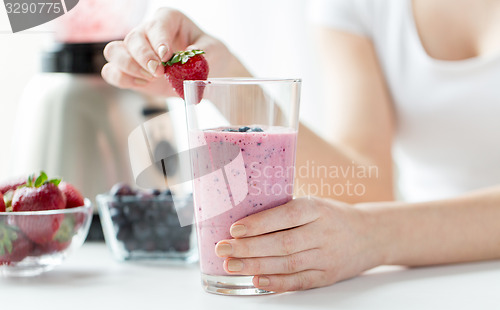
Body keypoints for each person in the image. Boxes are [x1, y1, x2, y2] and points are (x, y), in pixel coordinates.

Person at [101, 1, 500, 293]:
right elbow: (365, 188)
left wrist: (374, 236)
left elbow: (370, 219)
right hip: (429, 276)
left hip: (414, 255)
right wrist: (222, 76)